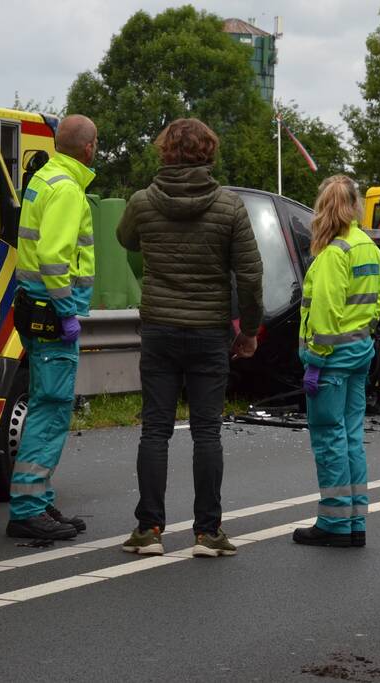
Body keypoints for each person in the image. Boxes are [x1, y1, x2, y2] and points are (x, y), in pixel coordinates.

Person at [117, 118, 263, 557]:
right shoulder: (230, 206)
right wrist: (250, 331)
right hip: (208, 332)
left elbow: (125, 238)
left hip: (160, 328)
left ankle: (148, 530)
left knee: (155, 431)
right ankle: (207, 533)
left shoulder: (143, 202)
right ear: (209, 152)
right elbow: (252, 276)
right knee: (206, 432)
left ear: (165, 151)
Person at [6, 115, 98, 541]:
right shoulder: (67, 190)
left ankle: (37, 500)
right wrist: (66, 312)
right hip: (51, 312)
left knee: (46, 404)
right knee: (51, 407)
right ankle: (27, 508)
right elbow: (55, 259)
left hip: (33, 307)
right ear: (89, 147)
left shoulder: (44, 178)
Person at [293, 175, 380, 548]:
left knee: (329, 439)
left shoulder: (334, 253)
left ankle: (333, 522)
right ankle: (354, 520)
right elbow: (377, 304)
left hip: (330, 363)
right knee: (350, 438)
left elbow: (326, 313)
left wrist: (315, 360)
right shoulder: (368, 247)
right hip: (359, 354)